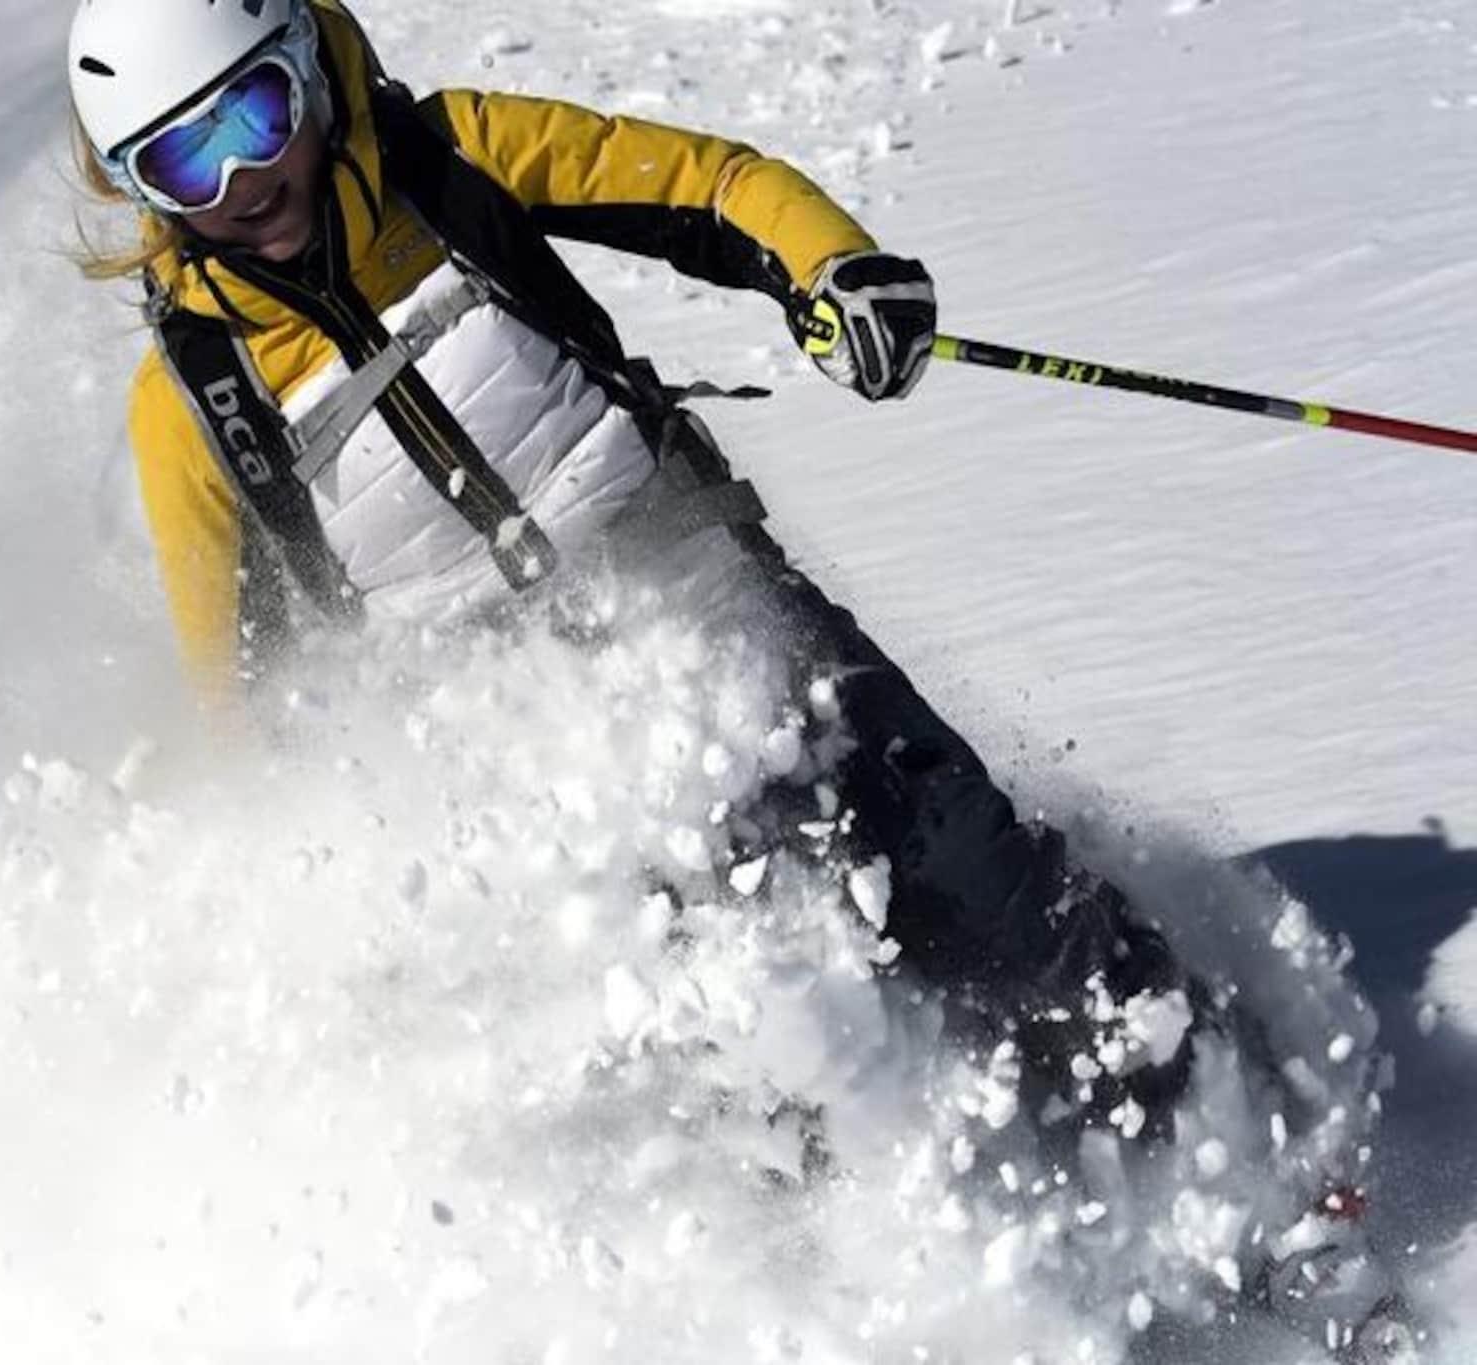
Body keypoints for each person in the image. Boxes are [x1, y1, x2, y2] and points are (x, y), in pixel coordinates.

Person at [65, 0, 1196, 1131]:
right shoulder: (194, 405)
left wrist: (830, 268)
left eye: (254, 119)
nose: (238, 181)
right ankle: (947, 1211)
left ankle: (1204, 1109)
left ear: (309, 70)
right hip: (549, 766)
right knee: (770, 1029)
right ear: (138, 187)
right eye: (182, 161)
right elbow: (247, 685)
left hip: (711, 598)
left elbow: (708, 185)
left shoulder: (450, 161)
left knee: (976, 878)